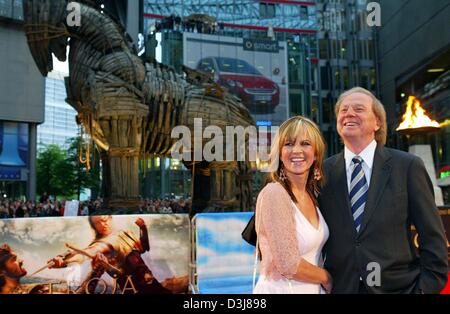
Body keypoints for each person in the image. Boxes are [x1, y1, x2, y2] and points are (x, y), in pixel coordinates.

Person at [318, 87, 448, 294]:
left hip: (399, 289)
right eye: (343, 110)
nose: (349, 113)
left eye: (359, 109)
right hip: (342, 288)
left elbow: (433, 236)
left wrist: (425, 289)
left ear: (377, 122)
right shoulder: (322, 172)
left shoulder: (407, 166)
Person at [253, 116, 332, 294]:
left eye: (305, 143)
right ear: (280, 154)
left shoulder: (312, 196)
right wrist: (327, 278)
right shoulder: (274, 193)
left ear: (316, 153)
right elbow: (288, 264)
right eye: (288, 144)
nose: (296, 150)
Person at [48, 215, 171, 294]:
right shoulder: (101, 244)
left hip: (151, 283)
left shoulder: (125, 233)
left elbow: (144, 248)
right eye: (97, 223)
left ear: (110, 218)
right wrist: (63, 260)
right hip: (132, 289)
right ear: (94, 227)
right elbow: (84, 253)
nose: (102, 224)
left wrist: (143, 229)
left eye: (104, 220)